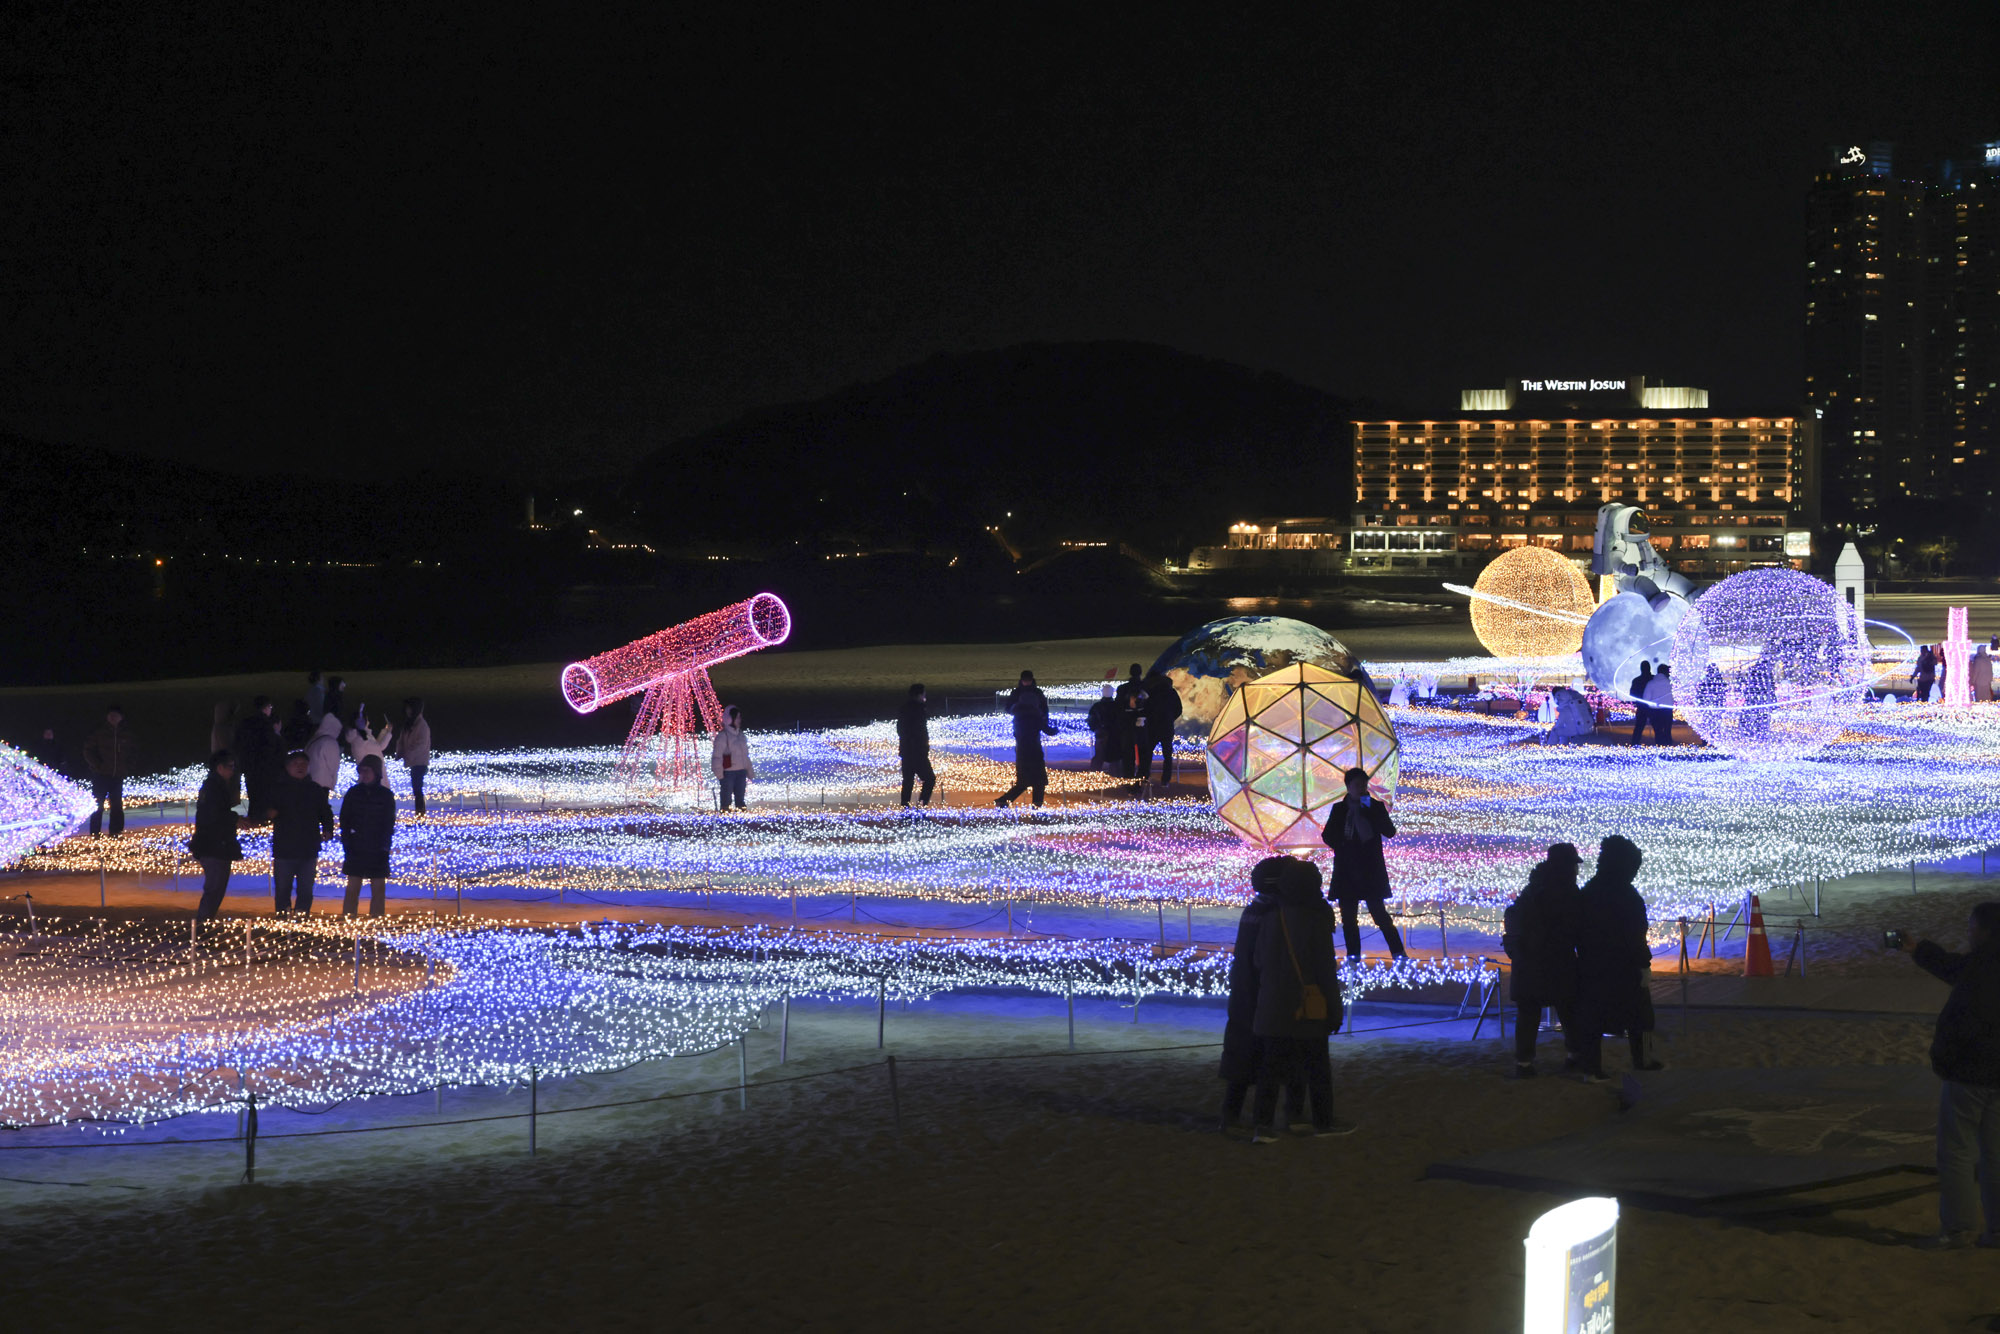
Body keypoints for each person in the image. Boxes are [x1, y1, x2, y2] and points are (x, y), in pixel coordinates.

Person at [1895, 903, 2000, 1249]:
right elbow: (1947, 964)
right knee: (1995, 1153)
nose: (1969, 933)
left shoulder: (1977, 966)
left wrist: (1946, 1058)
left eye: (1972, 927)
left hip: (1970, 1073)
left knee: (1956, 1151)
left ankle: (1959, 1230)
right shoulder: (1979, 964)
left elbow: (1951, 968)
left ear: (1985, 931)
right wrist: (1918, 949)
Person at [1250, 858, 1351, 1140]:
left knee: (1270, 1068)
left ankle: (1263, 1126)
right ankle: (1320, 1121)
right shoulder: (1316, 918)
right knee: (1316, 1065)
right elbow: (1324, 970)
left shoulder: (1271, 916)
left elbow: (1258, 960)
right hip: (1306, 1007)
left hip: (1271, 1005)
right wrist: (1334, 1009)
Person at [1573, 834, 1660, 1080]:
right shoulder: (1627, 895)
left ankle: (1591, 1067)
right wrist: (1643, 964)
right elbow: (1635, 934)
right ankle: (1643, 1060)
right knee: (1641, 1018)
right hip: (1625, 966)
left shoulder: (1590, 891)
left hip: (1593, 964)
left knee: (1593, 1018)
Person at [1220, 857, 1289, 1135]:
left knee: (1241, 1058)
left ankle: (1230, 1116)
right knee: (1267, 1062)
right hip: (1264, 996)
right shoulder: (1276, 913)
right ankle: (1263, 1122)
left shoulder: (1252, 909)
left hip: (1243, 994)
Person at [1503, 844, 1583, 1078]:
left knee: (1528, 1014)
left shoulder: (1532, 888)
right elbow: (1575, 927)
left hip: (1527, 962)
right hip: (1557, 961)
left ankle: (1524, 1063)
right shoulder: (1566, 891)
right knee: (1569, 1008)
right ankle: (1574, 1056)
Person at [1319, 766, 1407, 960]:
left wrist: (1369, 812)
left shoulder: (1375, 807)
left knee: (1380, 915)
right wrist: (1342, 845)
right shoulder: (1340, 809)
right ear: (1348, 787)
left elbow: (1389, 832)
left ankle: (1399, 954)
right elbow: (1327, 835)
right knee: (1349, 919)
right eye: (1357, 785)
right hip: (1347, 870)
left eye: (1364, 785)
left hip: (1370, 870)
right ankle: (1353, 957)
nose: (1361, 789)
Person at [267, 749, 334, 915]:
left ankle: (301, 924)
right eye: (296, 764)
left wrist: (327, 828)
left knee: (305, 890)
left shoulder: (314, 789)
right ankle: (283, 923)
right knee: (283, 890)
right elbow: (266, 810)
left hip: (308, 848)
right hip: (285, 848)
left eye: (304, 764)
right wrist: (269, 813)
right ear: (287, 767)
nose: (300, 767)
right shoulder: (278, 788)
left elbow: (325, 812)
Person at [187, 750, 243, 922]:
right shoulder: (214, 788)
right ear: (220, 768)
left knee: (215, 889)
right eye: (230, 767)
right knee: (214, 889)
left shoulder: (215, 786)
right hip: (215, 845)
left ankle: (204, 925)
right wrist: (235, 819)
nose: (233, 771)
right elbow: (214, 815)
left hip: (213, 844)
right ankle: (203, 927)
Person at [339, 754, 396, 917]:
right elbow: (345, 820)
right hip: (356, 847)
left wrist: (385, 847)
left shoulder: (385, 795)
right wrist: (347, 843)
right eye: (361, 771)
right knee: (352, 888)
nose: (364, 774)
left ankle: (376, 921)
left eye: (368, 770)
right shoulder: (353, 793)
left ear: (376, 772)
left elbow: (388, 823)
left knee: (378, 889)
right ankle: (349, 921)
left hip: (378, 847)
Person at [996, 670, 1056, 808]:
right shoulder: (1034, 716)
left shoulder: (1020, 716)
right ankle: (1036, 804)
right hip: (1033, 749)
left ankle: (1004, 801)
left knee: (1025, 780)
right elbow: (1047, 727)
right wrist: (1049, 726)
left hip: (1023, 749)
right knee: (1038, 780)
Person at [82, 704, 137, 836]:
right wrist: (97, 766)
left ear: (121, 718)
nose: (113, 718)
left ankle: (116, 831)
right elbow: (88, 750)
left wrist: (127, 767)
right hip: (101, 775)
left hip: (117, 775)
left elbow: (133, 752)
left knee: (117, 806)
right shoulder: (99, 733)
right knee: (98, 805)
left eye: (116, 716)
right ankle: (95, 833)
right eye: (111, 715)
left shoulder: (126, 734)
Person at [231, 697, 282, 823]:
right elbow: (271, 747)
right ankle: (263, 820)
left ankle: (254, 819)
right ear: (266, 707)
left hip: (249, 765)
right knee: (264, 795)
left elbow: (238, 743)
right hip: (264, 766)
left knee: (254, 795)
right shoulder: (266, 724)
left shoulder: (246, 723)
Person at [1137, 670, 1183, 784]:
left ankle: (1145, 776)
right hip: (1167, 726)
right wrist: (1170, 718)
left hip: (1152, 726)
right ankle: (1165, 780)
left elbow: (1144, 708)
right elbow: (1178, 709)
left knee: (1147, 754)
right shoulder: (1171, 692)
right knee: (1167, 755)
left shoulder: (1149, 691)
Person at [897, 684, 935, 807]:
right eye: (924, 694)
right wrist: (922, 747)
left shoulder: (905, 708)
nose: (925, 697)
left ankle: (905, 805)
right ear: (919, 695)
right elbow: (920, 732)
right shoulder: (919, 710)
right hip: (917, 752)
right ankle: (922, 804)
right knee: (929, 778)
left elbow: (900, 729)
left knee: (908, 780)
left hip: (907, 751)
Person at [711, 705, 754, 810]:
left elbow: (745, 755)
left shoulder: (740, 735)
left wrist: (749, 770)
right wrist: (719, 774)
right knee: (726, 797)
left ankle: (740, 817)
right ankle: (726, 815)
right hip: (728, 772)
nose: (739, 720)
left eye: (739, 717)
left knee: (740, 797)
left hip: (741, 771)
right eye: (737, 717)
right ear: (730, 719)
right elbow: (717, 757)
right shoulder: (723, 736)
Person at [395, 697, 432, 816]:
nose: (407, 711)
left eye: (409, 708)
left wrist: (406, 753)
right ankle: (419, 814)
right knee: (416, 789)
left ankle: (420, 814)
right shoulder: (410, 724)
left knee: (417, 789)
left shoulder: (422, 725)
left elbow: (420, 745)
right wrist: (400, 752)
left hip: (419, 762)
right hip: (414, 761)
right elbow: (402, 740)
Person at [1113, 664, 1146, 778]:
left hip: (1126, 725)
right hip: (1143, 725)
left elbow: (1118, 707)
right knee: (1143, 753)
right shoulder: (1145, 687)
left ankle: (1129, 777)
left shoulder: (1122, 688)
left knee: (1128, 754)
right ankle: (1142, 776)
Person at [306, 710, 344, 791]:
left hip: (308, 782)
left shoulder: (313, 740)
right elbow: (333, 766)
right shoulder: (330, 742)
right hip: (322, 784)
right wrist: (332, 783)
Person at [1086, 684, 1116, 770]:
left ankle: (1094, 774)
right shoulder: (1116, 706)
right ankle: (1115, 775)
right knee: (1115, 757)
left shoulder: (1097, 706)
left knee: (1099, 756)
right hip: (1113, 734)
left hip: (1100, 733)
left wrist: (1095, 729)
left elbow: (1091, 720)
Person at [1644, 664, 1675, 745]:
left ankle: (1660, 749)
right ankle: (1668, 752)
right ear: (1665, 672)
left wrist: (1653, 704)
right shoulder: (1670, 683)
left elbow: (1645, 699)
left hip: (1655, 712)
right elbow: (1675, 697)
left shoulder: (1651, 683)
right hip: (1667, 711)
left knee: (1658, 733)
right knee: (1667, 732)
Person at [1627, 660, 1654, 745]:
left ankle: (1634, 743)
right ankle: (1662, 744)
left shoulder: (1637, 680)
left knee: (1639, 727)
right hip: (1653, 707)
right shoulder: (1653, 679)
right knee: (1658, 728)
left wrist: (1638, 701)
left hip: (1642, 707)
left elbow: (1632, 694)